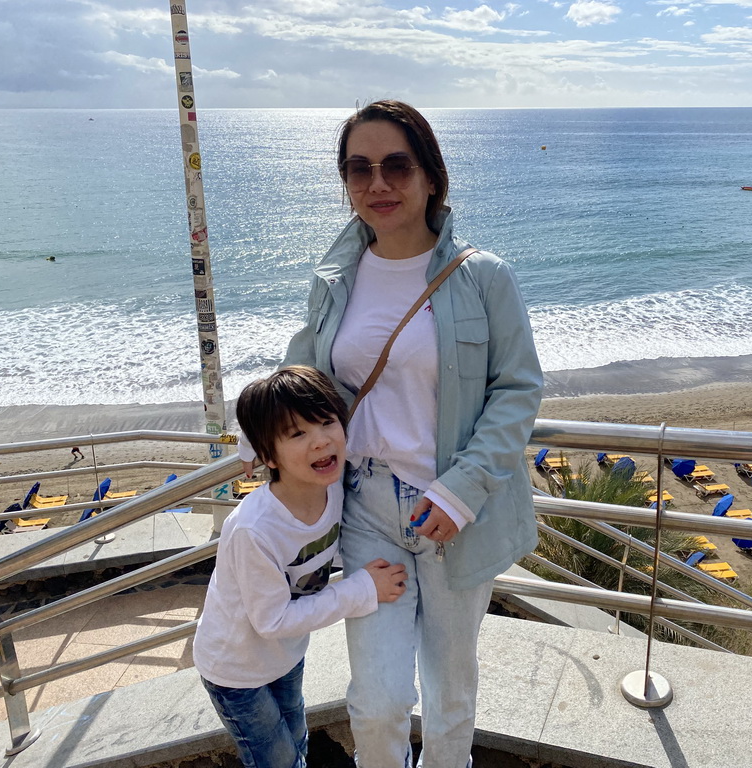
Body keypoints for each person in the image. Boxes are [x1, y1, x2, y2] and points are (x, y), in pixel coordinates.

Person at [241, 100, 542, 767]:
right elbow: (304, 378)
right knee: (377, 703)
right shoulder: (336, 280)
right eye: (360, 169)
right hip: (367, 508)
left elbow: (518, 389)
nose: (378, 184)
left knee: (449, 694)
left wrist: (461, 491)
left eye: (397, 166)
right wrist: (262, 448)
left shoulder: (483, 276)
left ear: (432, 177)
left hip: (455, 512)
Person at [197, 366, 407, 768]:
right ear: (268, 457)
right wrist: (361, 589)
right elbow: (273, 620)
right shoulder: (253, 530)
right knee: (275, 761)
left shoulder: (334, 485)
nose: (321, 441)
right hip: (236, 670)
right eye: (298, 434)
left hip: (286, 655)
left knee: (296, 740)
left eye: (328, 422)